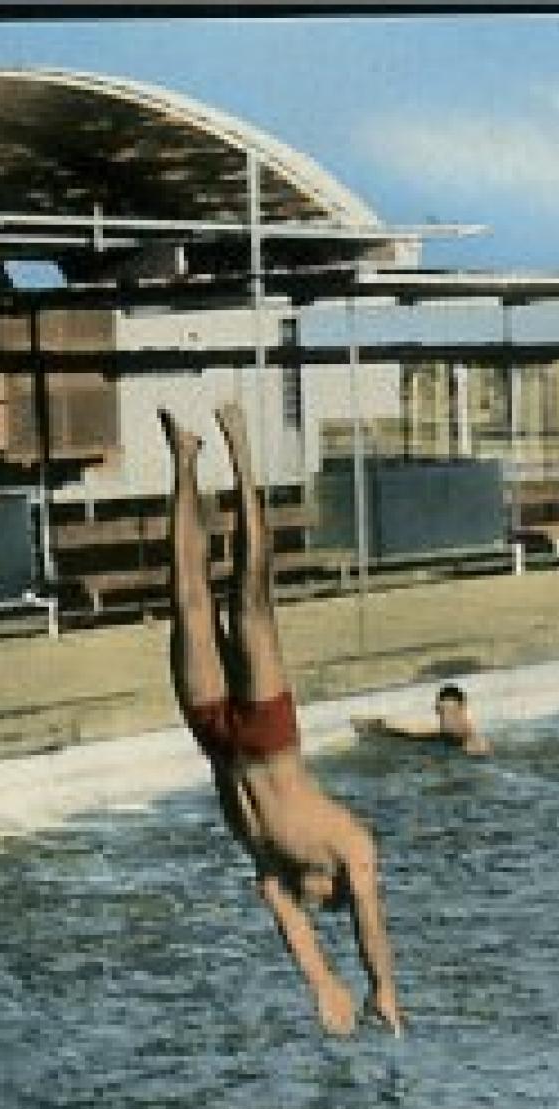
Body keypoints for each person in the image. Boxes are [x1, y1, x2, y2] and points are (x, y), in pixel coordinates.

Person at [160, 401, 403, 1039]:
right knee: (250, 596)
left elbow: (291, 927)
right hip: (268, 737)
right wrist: (382, 988)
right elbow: (371, 924)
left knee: (187, 596)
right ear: (339, 888)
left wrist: (324, 983)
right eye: (328, 906)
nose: (314, 907)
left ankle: (184, 458)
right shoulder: (351, 847)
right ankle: (240, 451)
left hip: (217, 737)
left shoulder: (274, 871)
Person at [352, 684, 492, 756]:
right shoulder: (440, 733)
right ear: (437, 711)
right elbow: (411, 729)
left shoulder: (475, 742)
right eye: (443, 712)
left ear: (462, 709)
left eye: (452, 713)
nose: (448, 719)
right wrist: (374, 723)